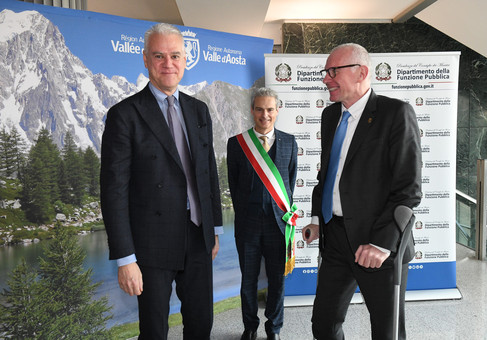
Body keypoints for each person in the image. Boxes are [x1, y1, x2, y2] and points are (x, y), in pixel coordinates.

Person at [100, 23, 223, 340]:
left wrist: (214, 230)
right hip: (149, 244)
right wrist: (126, 259)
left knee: (201, 325)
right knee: (154, 331)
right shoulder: (124, 114)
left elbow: (207, 172)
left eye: (175, 56)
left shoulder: (199, 110)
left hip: (197, 237)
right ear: (145, 59)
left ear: (185, 60)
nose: (168, 64)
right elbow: (113, 191)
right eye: (159, 56)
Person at [302, 43, 421, 340]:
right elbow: (328, 174)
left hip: (378, 246)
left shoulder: (396, 114)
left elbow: (408, 189)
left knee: (387, 331)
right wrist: (318, 219)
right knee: (323, 325)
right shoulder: (330, 117)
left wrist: (381, 245)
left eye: (333, 71)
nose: (326, 78)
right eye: (325, 72)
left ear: (361, 72)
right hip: (336, 240)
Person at [227, 87, 298, 340]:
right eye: (259, 109)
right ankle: (250, 327)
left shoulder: (290, 142)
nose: (264, 114)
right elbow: (234, 186)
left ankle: (274, 328)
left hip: (279, 226)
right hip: (248, 226)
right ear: (252, 111)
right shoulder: (236, 144)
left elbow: (289, 181)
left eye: (270, 109)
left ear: (277, 111)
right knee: (248, 281)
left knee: (277, 281)